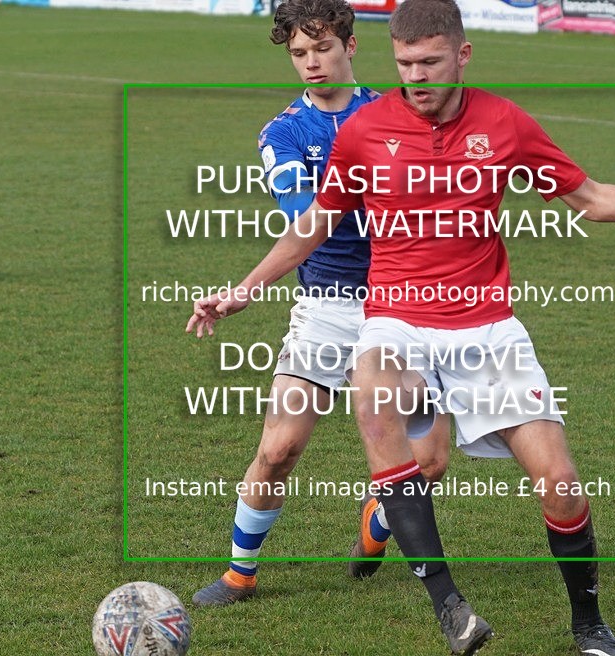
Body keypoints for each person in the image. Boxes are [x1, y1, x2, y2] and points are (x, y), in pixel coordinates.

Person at [187, 0, 615, 653]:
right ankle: (447, 606)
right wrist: (244, 290)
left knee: (558, 484)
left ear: (463, 55)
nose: (416, 77)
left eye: (430, 62)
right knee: (365, 399)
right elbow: (315, 223)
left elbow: (587, 199)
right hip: (386, 314)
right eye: (405, 64)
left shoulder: (504, 121)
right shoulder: (365, 129)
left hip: (486, 327)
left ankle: (589, 624)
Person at [189, 0, 450, 607]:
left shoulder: (404, 114)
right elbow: (308, 220)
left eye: (322, 49)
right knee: (278, 449)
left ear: (351, 46)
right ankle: (239, 573)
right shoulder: (282, 133)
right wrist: (244, 291)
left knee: (429, 462)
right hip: (327, 305)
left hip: (406, 305)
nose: (311, 63)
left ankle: (376, 521)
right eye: (299, 54)